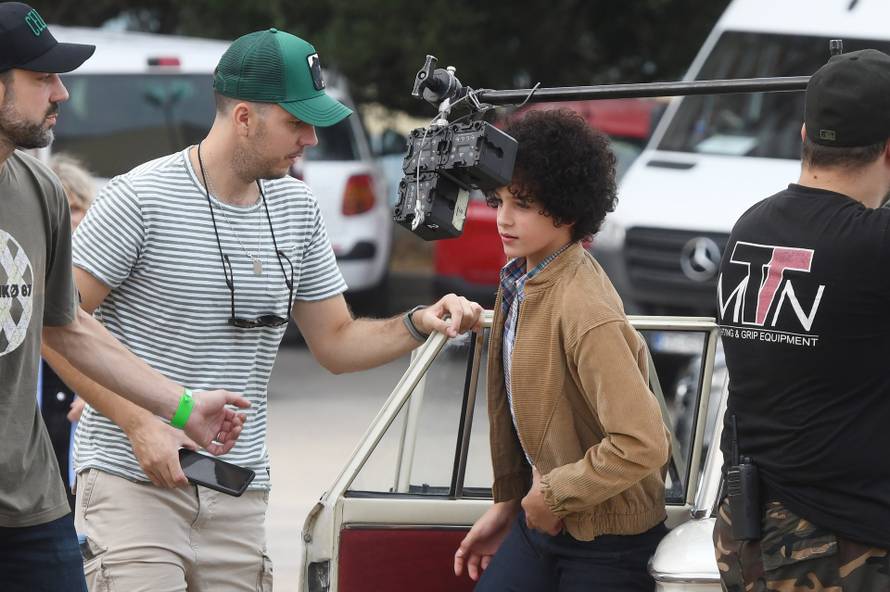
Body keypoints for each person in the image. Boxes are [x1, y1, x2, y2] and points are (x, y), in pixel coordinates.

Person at [44, 27, 483, 592]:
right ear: (244, 117)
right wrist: (137, 424)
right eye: (296, 122)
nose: (312, 139)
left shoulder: (298, 207)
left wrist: (418, 323)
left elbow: (336, 342)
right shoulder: (138, 198)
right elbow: (56, 324)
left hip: (238, 494)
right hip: (136, 486)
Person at [0, 4, 248, 592]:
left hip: (32, 506)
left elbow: (69, 328)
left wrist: (182, 408)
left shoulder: (39, 191)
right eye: (41, 79)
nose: (60, 92)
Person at [452, 109, 670, 591]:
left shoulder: (585, 309)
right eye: (500, 199)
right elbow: (513, 408)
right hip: (549, 520)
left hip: (609, 541)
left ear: (568, 210)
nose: (503, 218)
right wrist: (509, 502)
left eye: (523, 204)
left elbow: (643, 442)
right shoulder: (521, 279)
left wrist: (548, 497)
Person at [713, 48, 890, 590]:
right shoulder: (871, 246)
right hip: (836, 543)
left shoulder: (751, 227)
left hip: (745, 530)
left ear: (805, 132)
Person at [36, 154, 95, 509]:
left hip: (84, 443)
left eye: (73, 207)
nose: (65, 218)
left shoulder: (110, 280)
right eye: (56, 207)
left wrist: (99, 394)